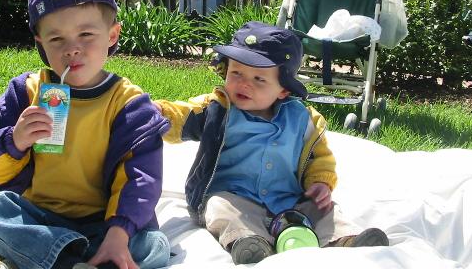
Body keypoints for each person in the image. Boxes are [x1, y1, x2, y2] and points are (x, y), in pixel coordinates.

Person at [0, 0, 171, 269]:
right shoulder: (27, 91)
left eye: (86, 34)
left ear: (112, 35)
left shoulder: (128, 103)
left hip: (103, 222)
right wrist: (14, 140)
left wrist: (119, 232)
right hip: (37, 217)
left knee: (154, 245)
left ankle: (94, 255)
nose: (72, 49)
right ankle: (67, 260)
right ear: (41, 44)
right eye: (57, 39)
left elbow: (142, 178)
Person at [155, 22, 389, 265]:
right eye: (236, 73)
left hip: (290, 200)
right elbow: (183, 114)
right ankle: (248, 241)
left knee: (325, 210)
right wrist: (159, 113)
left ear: (283, 90)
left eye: (259, 79)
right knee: (219, 207)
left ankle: (347, 238)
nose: (244, 83)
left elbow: (319, 158)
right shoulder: (218, 109)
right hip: (234, 197)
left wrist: (320, 183)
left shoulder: (303, 120)